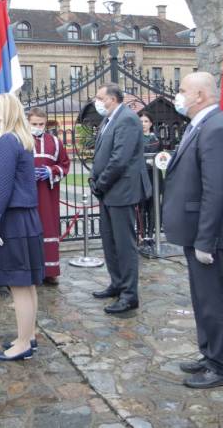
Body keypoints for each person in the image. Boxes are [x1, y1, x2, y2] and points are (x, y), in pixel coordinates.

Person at [162, 72, 223, 389]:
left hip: (211, 235)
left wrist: (206, 240)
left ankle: (221, 366)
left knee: (214, 300)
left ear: (200, 95)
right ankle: (210, 353)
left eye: (182, 90)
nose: (178, 95)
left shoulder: (215, 127)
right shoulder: (202, 123)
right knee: (203, 298)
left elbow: (216, 190)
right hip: (199, 230)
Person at [0, 93, 44, 361]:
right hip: (25, 217)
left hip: (13, 219)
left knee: (19, 284)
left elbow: (3, 184)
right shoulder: (22, 138)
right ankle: (29, 335)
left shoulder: (7, 141)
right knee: (27, 282)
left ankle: (22, 343)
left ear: (4, 114)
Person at [88, 83, 151, 314]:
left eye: (99, 97)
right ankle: (116, 283)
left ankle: (129, 294)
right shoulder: (108, 119)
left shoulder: (126, 119)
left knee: (124, 244)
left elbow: (119, 158)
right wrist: (95, 180)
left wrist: (101, 183)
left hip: (120, 190)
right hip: (107, 191)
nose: (96, 102)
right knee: (109, 241)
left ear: (112, 99)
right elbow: (102, 153)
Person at [27, 108, 70, 285]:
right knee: (27, 228)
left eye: (41, 124)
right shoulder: (20, 140)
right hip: (26, 192)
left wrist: (50, 171)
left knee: (48, 226)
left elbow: (65, 164)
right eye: (34, 124)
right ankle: (29, 270)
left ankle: (49, 270)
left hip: (47, 193)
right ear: (28, 122)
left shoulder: (55, 142)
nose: (38, 127)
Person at [137, 110, 161, 242]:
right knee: (141, 207)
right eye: (140, 121)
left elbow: (161, 156)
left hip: (154, 176)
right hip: (140, 176)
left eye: (146, 121)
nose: (143, 124)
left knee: (153, 207)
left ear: (151, 123)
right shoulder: (135, 139)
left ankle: (151, 235)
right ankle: (142, 234)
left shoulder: (156, 140)